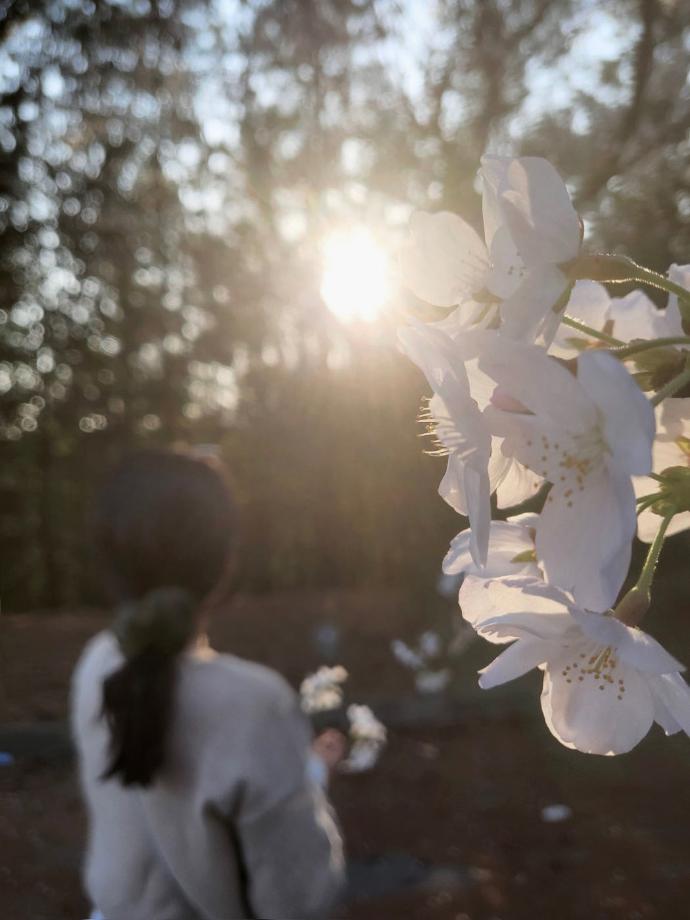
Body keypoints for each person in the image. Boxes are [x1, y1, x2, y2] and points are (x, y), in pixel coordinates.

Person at [71, 449, 345, 920]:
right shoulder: (253, 703)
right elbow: (298, 901)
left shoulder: (98, 663)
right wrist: (310, 778)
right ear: (225, 561)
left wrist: (305, 771)